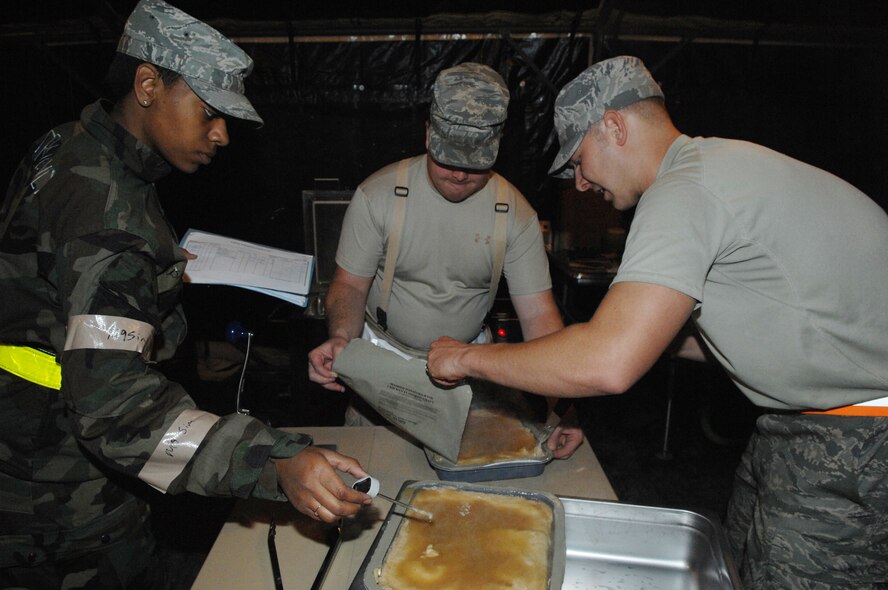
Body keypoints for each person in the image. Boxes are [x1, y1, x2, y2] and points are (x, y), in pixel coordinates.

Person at [426, 55, 888, 588]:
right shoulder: (721, 165)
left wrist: (466, 357)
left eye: (579, 161)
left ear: (614, 127)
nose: (581, 184)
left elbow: (609, 365)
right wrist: (609, 342)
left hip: (856, 438)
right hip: (802, 424)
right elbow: (742, 324)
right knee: (739, 569)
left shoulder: (683, 189)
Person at [0, 1, 370, 587]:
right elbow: (115, 410)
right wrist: (273, 461)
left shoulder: (70, 144)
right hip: (61, 500)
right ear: (148, 85)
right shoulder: (110, 214)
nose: (221, 135)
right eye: (210, 113)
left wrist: (152, 285)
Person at [307, 62, 583, 458]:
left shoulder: (514, 214)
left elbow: (539, 317)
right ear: (428, 134)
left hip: (471, 372)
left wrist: (563, 406)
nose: (459, 173)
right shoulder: (378, 196)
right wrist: (340, 339)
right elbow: (349, 286)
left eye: (474, 161)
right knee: (373, 469)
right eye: (448, 156)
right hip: (384, 367)